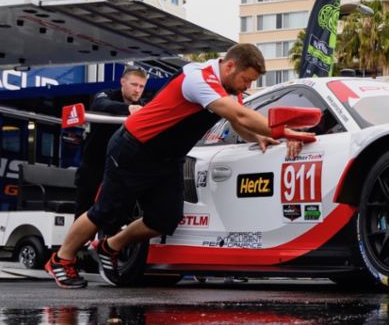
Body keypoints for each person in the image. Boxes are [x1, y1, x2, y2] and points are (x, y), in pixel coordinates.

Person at [47, 44, 313, 289]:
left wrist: (259, 137)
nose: (247, 86)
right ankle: (61, 259)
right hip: (135, 148)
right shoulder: (199, 78)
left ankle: (109, 247)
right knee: (104, 212)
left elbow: (236, 123)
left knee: (163, 220)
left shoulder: (230, 90)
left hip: (168, 159)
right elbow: (240, 115)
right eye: (247, 79)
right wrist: (285, 130)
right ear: (230, 66)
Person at [74, 67, 149, 215]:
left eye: (141, 86)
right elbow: (100, 105)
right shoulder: (107, 95)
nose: (137, 90)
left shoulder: (143, 105)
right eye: (134, 84)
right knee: (84, 212)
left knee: (117, 216)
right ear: (123, 82)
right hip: (93, 167)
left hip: (120, 170)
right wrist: (128, 109)